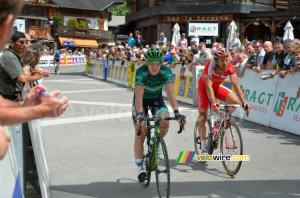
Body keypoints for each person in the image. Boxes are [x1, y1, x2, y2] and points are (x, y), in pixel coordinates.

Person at [133, 47, 186, 182]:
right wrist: (140, 114)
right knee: (141, 131)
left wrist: (177, 112)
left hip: (156, 99)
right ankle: (140, 167)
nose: (155, 67)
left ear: (162, 63)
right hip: (141, 102)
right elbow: (138, 95)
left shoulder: (165, 71)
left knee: (164, 123)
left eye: (158, 63)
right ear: (147, 63)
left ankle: (154, 144)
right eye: (152, 64)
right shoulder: (141, 71)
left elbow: (170, 93)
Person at [197, 48, 251, 154]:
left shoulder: (230, 67)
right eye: (222, 60)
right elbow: (208, 86)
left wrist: (244, 102)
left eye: (227, 59)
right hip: (204, 89)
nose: (225, 63)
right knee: (203, 116)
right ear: (216, 61)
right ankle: (204, 146)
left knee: (236, 101)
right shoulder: (210, 67)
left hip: (217, 87)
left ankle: (219, 122)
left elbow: (236, 84)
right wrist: (213, 102)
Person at [0, 31, 43, 101]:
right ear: (11, 43)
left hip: (14, 98)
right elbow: (22, 78)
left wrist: (32, 75)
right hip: (9, 99)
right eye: (21, 42)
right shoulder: (9, 56)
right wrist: (36, 76)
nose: (25, 45)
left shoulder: (15, 56)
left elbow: (22, 75)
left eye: (25, 42)